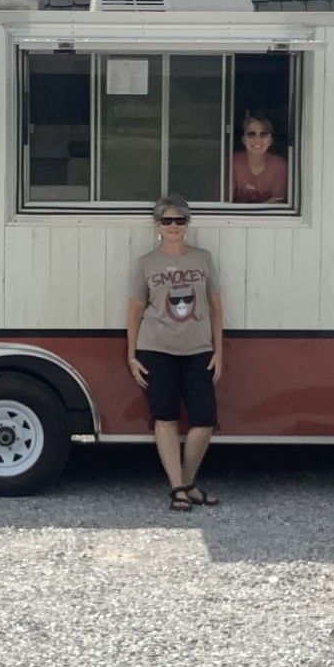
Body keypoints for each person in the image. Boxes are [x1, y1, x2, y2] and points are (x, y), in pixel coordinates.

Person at [125, 194, 225, 511]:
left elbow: (215, 307)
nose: (173, 226)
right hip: (156, 348)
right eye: (167, 220)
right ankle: (178, 488)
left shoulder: (203, 259)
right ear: (157, 225)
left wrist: (219, 351)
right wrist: (131, 356)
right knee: (165, 417)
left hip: (198, 349)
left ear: (187, 224)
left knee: (205, 419)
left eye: (179, 220)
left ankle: (188, 482)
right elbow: (135, 312)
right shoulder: (145, 264)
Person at [230, 112, 288, 203]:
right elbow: (225, 204)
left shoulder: (279, 166)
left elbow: (276, 203)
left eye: (263, 134)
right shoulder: (232, 162)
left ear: (270, 141)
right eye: (251, 134)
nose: (257, 140)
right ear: (243, 140)